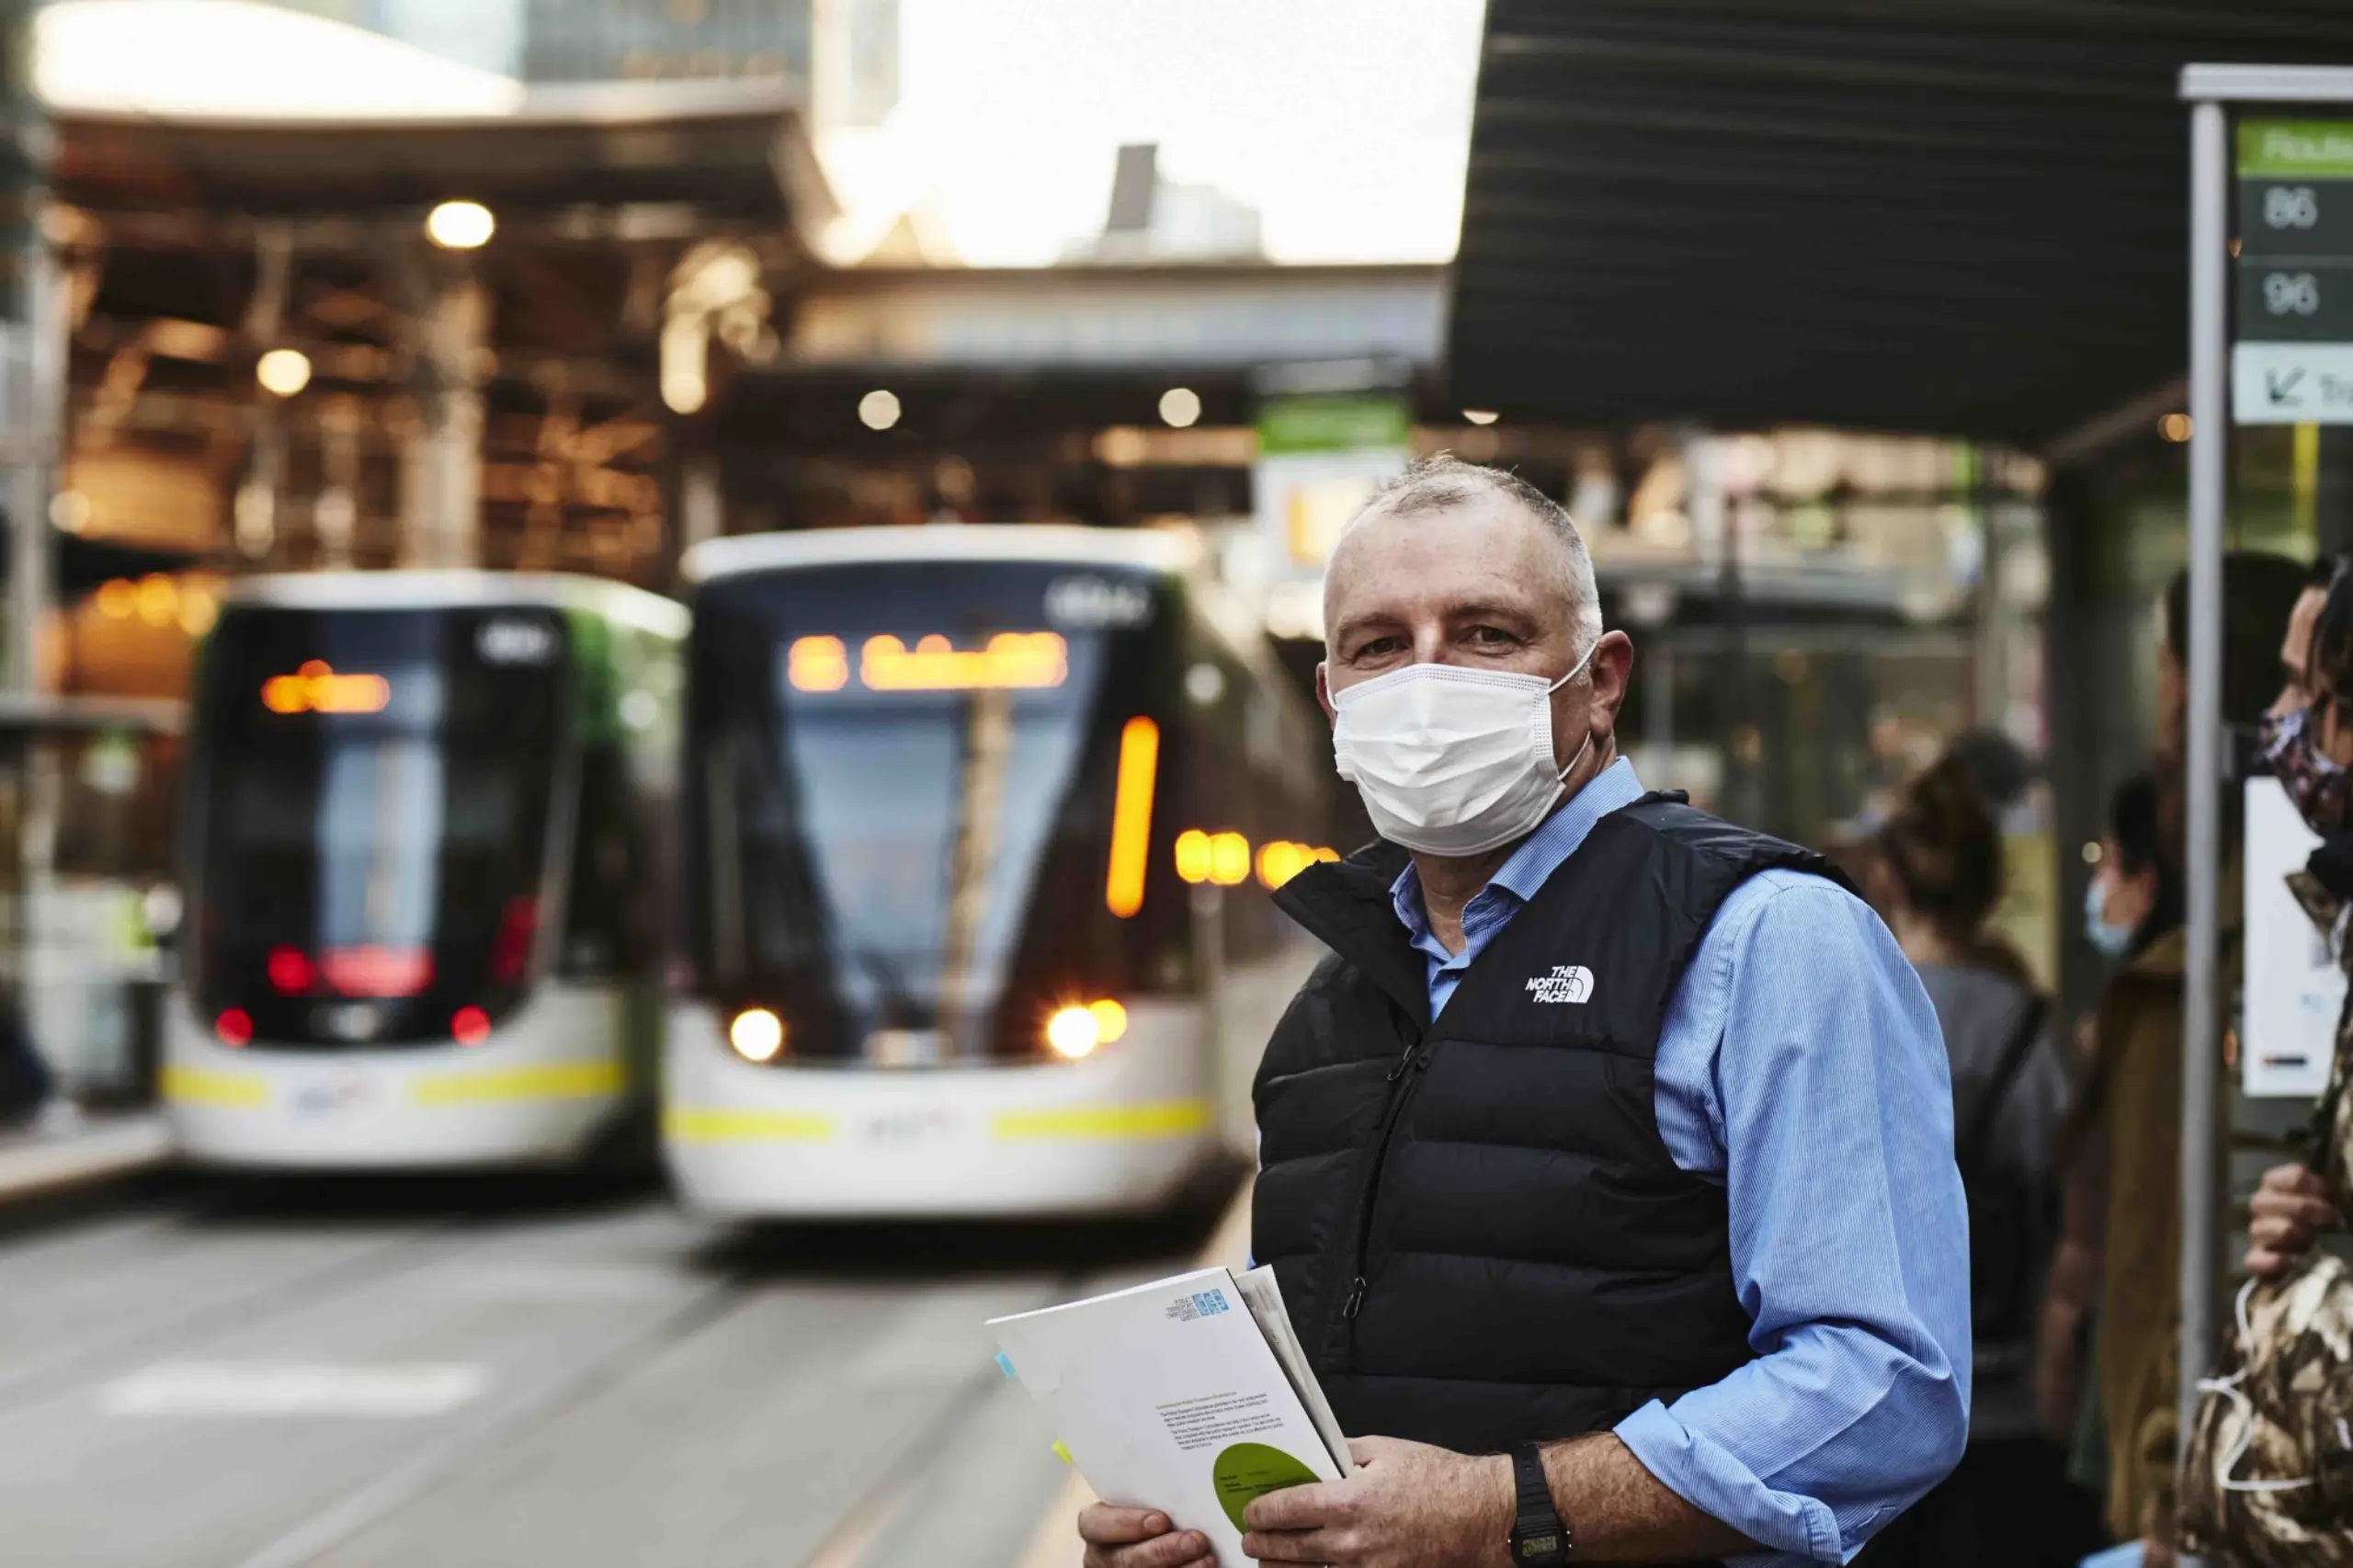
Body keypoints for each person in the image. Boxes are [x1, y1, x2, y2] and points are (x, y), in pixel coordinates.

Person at [1078, 455, 1970, 1568]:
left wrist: (1504, 1508)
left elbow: (1885, 1384)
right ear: (1331, 700)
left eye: (1487, 633)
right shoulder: (1330, 1003)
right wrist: (1209, 1529)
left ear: (1599, 679)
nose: (1425, 678)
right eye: (1378, 644)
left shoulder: (1769, 941)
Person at [1869, 755, 2090, 1566]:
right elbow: (2068, 1204)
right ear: (1993, 889)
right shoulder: (2029, 1033)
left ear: (1886, 877)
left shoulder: (1848, 1006)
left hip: (1864, 1405)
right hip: (2003, 1402)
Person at [2037, 772, 2184, 1560]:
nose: (2095, 882)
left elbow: (2113, 1222)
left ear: (2147, 880)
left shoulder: (2156, 1009)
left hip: (2134, 1367)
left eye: (2106, 860)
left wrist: (2059, 1353)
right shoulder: (2138, 1005)